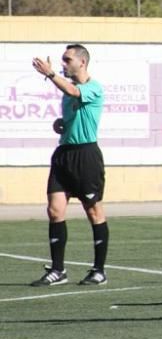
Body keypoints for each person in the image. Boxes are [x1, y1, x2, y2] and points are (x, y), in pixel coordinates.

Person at [29, 45, 110, 287]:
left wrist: (51, 74)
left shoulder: (93, 87)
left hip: (86, 156)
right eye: (62, 60)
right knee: (54, 211)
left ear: (82, 62)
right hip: (63, 154)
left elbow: (75, 91)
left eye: (67, 59)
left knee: (93, 212)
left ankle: (99, 271)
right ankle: (58, 270)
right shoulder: (66, 91)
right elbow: (73, 110)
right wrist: (63, 125)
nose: (63, 64)